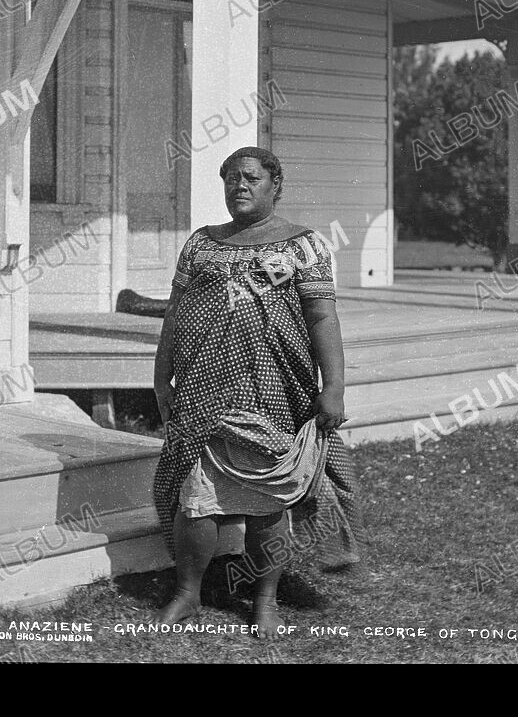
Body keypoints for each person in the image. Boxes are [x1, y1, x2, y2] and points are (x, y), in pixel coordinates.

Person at [151, 146, 363, 639]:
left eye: (250, 178)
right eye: (230, 179)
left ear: (275, 185)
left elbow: (322, 317)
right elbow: (174, 314)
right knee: (195, 498)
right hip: (204, 389)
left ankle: (264, 599)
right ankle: (188, 593)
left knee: (267, 502)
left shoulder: (302, 246)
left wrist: (334, 386)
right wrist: (162, 377)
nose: (238, 187)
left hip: (274, 389)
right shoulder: (202, 245)